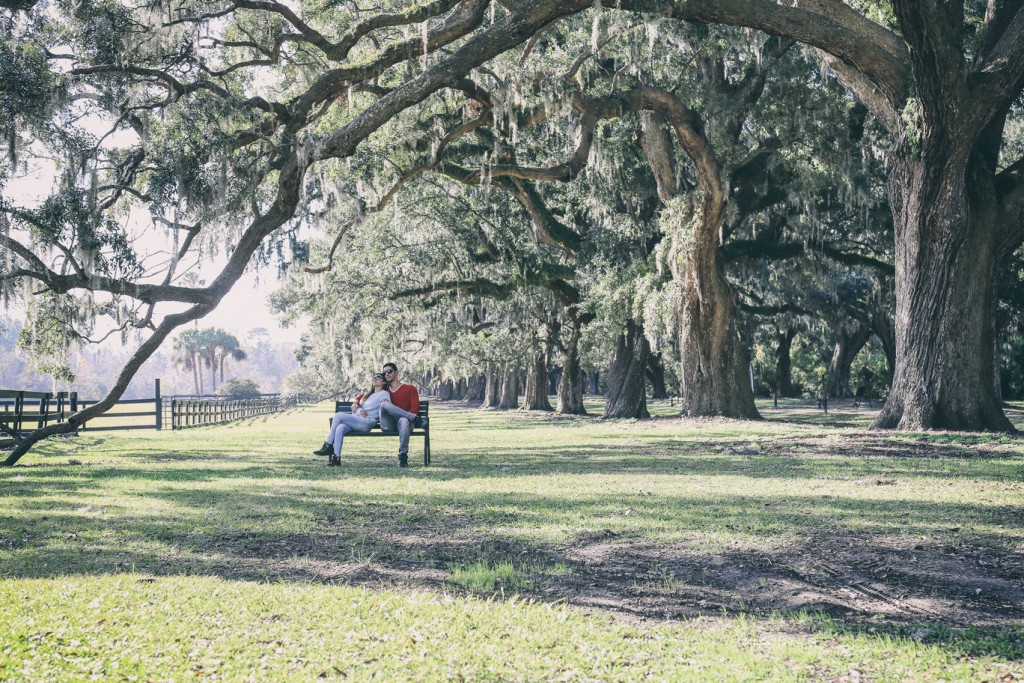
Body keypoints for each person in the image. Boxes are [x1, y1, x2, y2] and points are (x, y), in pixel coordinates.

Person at [314, 373, 390, 466]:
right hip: (358, 421)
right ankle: (336, 458)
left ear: (384, 382)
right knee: (340, 428)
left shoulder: (384, 394)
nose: (375, 379)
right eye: (373, 377)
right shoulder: (369, 395)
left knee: (338, 415)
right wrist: (358, 409)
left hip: (367, 423)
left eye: (378, 378)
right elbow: (357, 409)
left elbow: (386, 405)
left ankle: (328, 444)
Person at [379, 361, 426, 467]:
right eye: (384, 372)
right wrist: (356, 402)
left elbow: (415, 407)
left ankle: (403, 456)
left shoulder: (410, 388)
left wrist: (405, 416)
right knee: (384, 404)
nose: (387, 374)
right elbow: (366, 394)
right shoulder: (383, 389)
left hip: (404, 424)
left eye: (389, 371)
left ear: (397, 372)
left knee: (404, 420)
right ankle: (414, 418)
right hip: (388, 424)